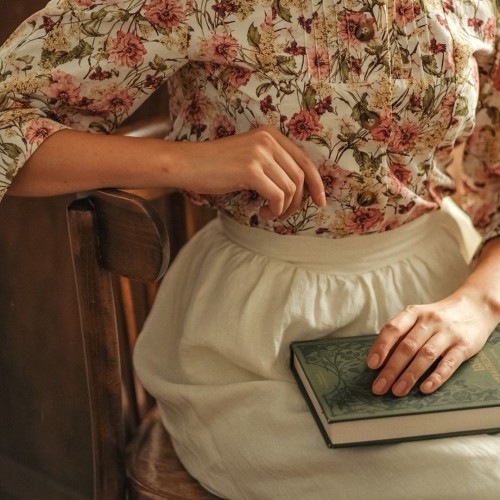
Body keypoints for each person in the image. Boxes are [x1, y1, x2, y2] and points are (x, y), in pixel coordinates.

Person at [1, 0, 499, 498]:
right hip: (258, 341)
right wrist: (188, 162)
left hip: (450, 300)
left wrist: (479, 302)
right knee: (469, 475)